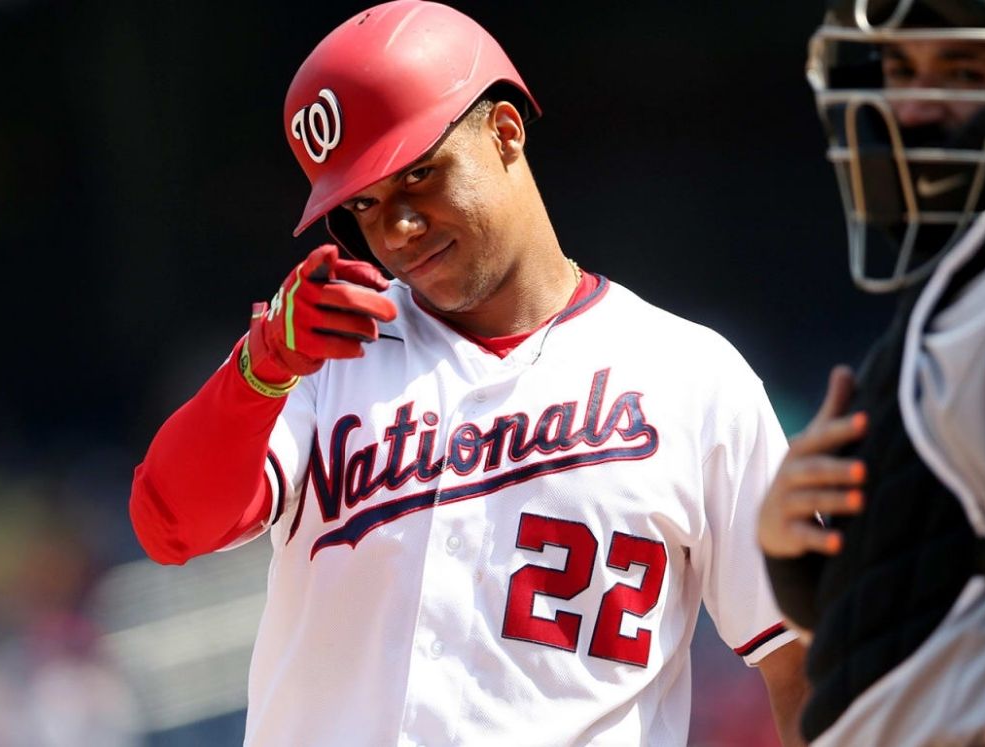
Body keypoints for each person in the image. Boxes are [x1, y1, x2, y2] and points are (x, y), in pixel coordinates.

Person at [130, 2, 808, 745]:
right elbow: (170, 528)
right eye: (365, 204)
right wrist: (259, 370)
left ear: (506, 131)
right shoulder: (319, 356)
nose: (397, 228)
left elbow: (806, 660)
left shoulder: (691, 378)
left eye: (419, 174)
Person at [757, 0, 985, 744]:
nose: (913, 106)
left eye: (963, 71)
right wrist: (804, 560)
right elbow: (928, 599)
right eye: (901, 69)